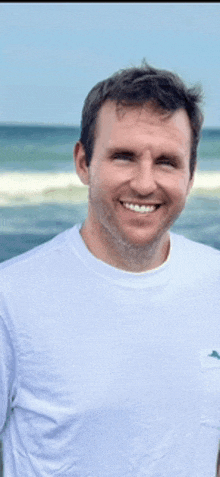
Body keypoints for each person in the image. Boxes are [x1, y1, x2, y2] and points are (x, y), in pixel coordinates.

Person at [0, 61, 220, 477]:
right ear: (83, 163)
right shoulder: (11, 296)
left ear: (191, 176)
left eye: (167, 162)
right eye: (124, 156)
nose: (143, 182)